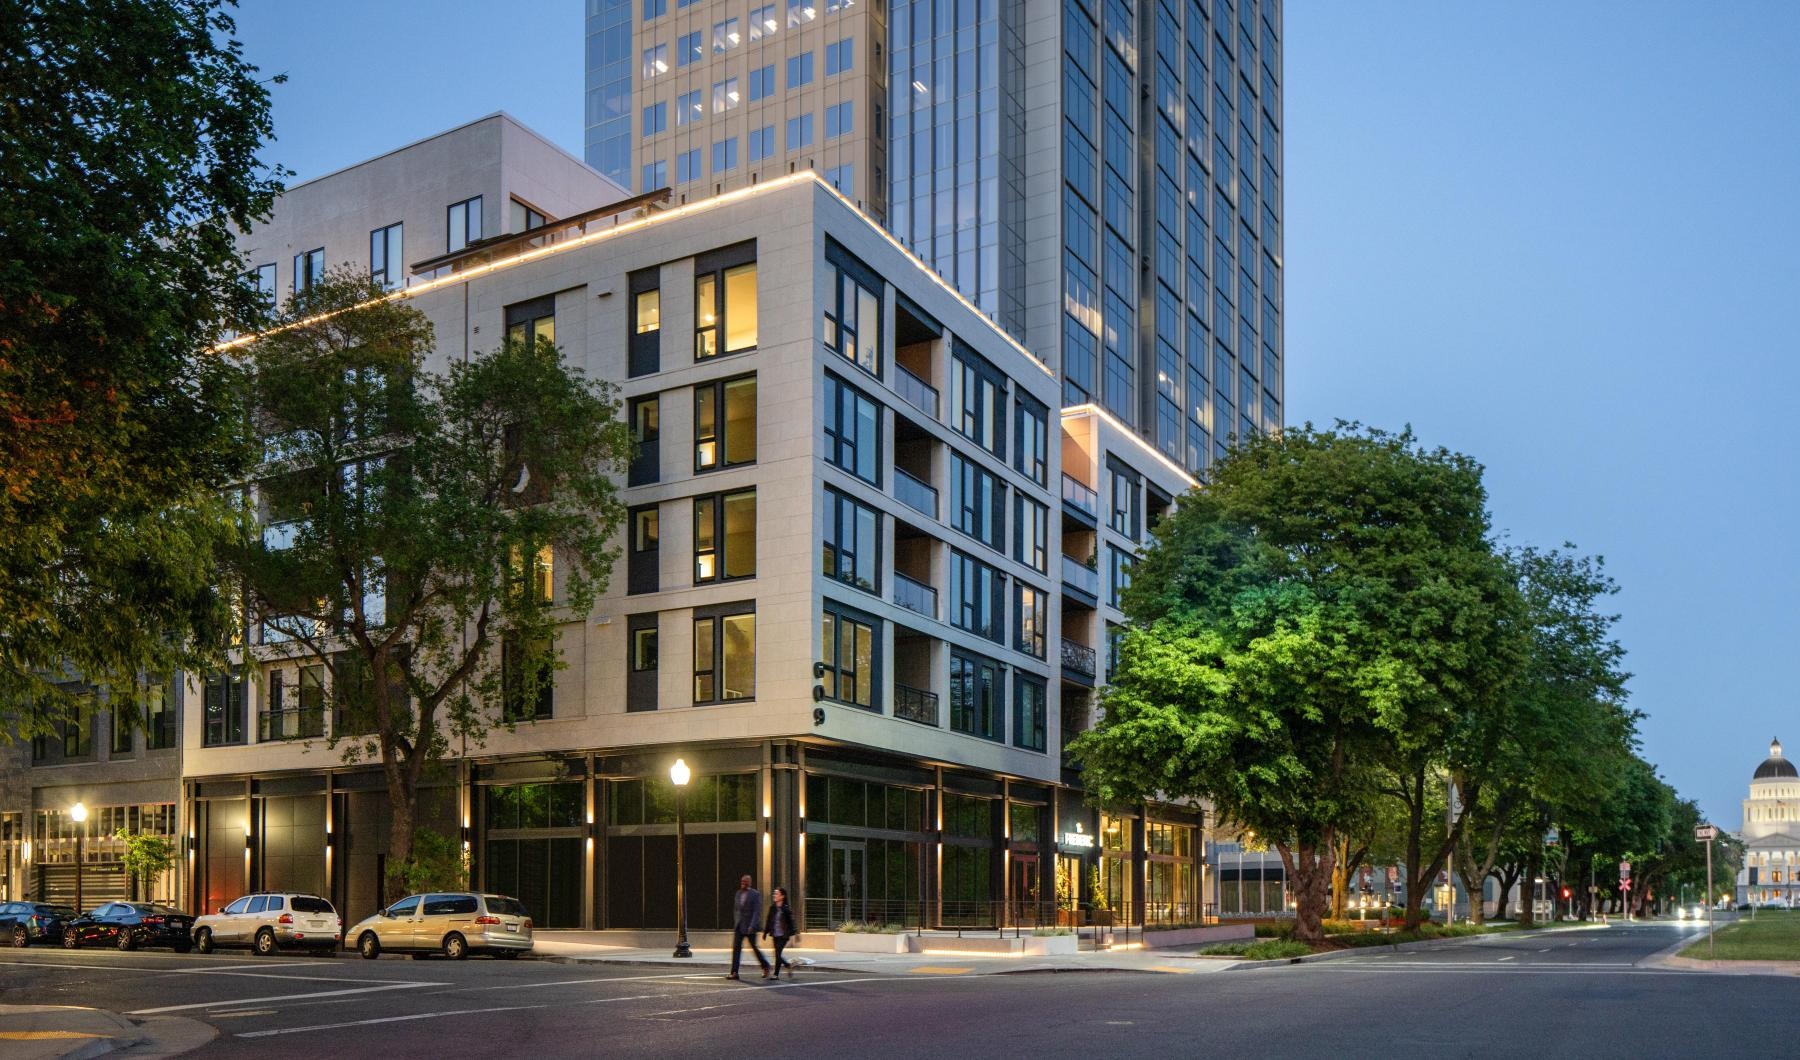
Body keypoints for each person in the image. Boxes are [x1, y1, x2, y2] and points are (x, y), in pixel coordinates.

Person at [727, 874, 771, 980]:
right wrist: (736, 921)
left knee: (754, 947)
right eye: (742, 881)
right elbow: (736, 909)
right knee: (736, 948)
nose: (743, 883)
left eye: (746, 881)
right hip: (739, 926)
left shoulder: (755, 894)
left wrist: (752, 925)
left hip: (750, 927)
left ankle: (766, 966)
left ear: (750, 883)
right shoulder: (738, 893)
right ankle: (734, 972)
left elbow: (757, 912)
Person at [763, 887, 799, 979]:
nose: (774, 895)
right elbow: (768, 920)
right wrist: (765, 932)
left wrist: (796, 933)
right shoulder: (773, 908)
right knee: (777, 954)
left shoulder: (786, 909)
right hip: (775, 934)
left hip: (783, 935)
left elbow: (791, 921)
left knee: (777, 954)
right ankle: (781, 971)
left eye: (777, 894)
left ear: (782, 896)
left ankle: (781, 970)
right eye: (774, 893)